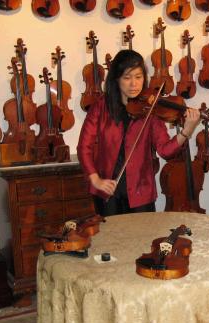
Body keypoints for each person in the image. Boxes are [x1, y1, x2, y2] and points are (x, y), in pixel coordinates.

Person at [77, 49, 200, 216]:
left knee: (141, 241)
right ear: (117, 79)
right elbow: (84, 147)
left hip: (141, 193)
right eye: (127, 78)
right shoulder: (101, 107)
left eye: (138, 77)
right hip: (108, 190)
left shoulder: (151, 108)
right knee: (110, 240)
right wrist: (95, 179)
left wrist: (187, 130)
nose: (134, 84)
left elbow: (165, 150)